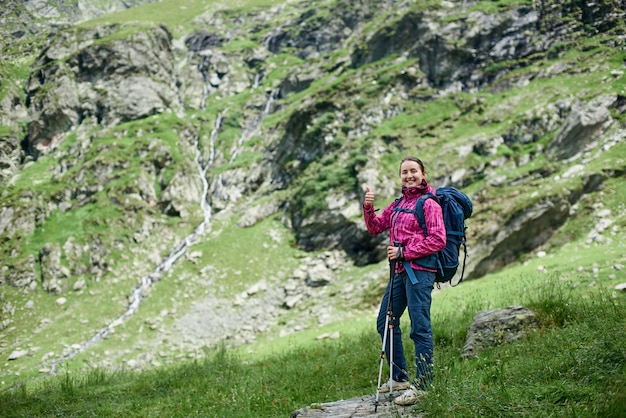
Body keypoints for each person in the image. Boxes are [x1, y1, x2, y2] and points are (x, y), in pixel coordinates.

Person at [363, 156, 446, 406]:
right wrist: (368, 207)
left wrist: (403, 252)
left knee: (420, 327)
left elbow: (438, 239)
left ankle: (424, 384)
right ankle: (399, 377)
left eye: (413, 171)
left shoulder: (428, 204)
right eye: (404, 172)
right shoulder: (399, 203)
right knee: (385, 322)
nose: (409, 176)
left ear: (423, 174)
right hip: (400, 272)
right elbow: (375, 228)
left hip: (420, 272)